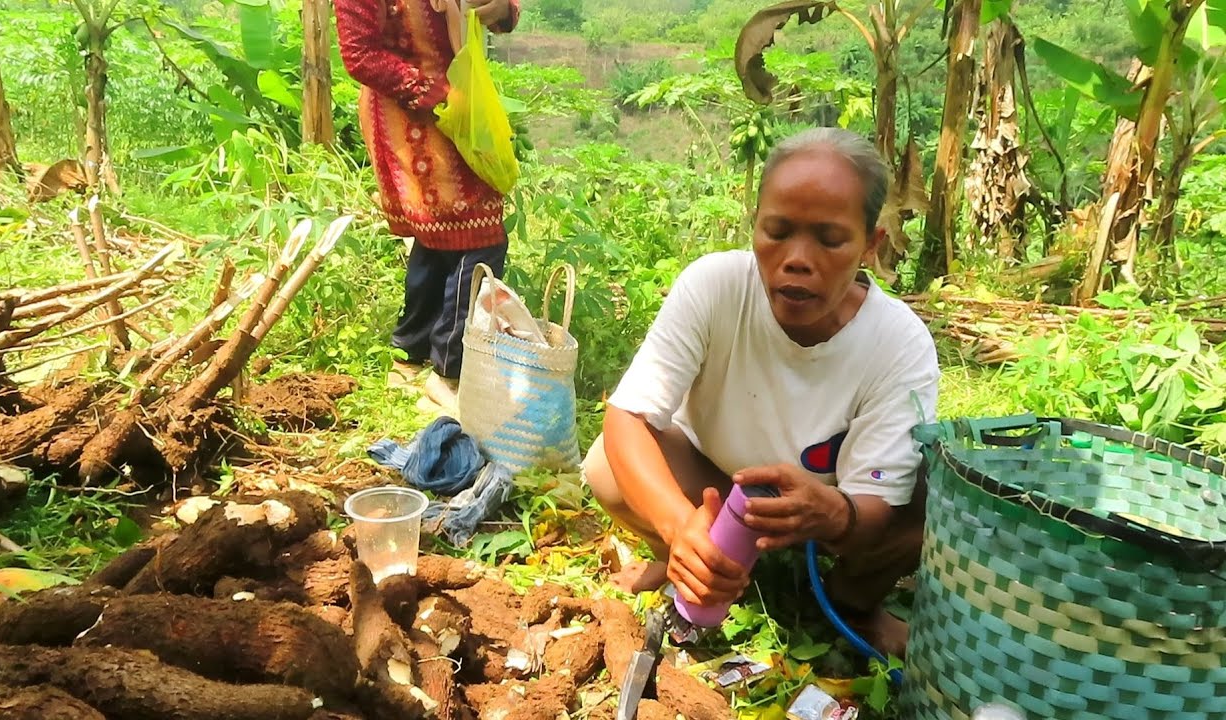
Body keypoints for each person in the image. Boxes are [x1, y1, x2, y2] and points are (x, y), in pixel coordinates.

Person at [582, 127, 940, 657]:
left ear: (871, 243)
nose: (797, 258)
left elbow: (877, 505)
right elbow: (627, 418)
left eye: (829, 239)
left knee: (929, 498)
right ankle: (694, 559)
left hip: (826, 515)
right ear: (754, 226)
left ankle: (851, 605)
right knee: (608, 466)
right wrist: (678, 527)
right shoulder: (715, 287)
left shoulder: (898, 343)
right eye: (777, 231)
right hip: (714, 487)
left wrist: (834, 513)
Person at [334, 0, 520, 408]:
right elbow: (359, 53)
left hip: (460, 106)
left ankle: (410, 355)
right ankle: (449, 371)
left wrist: (499, 9)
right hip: (412, 117)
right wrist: (429, 91)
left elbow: (502, 13)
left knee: (441, 231)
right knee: (477, 233)